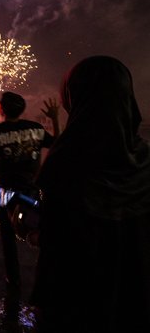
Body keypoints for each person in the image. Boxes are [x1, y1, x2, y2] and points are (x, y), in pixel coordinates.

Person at [33, 56, 150, 332]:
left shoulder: (65, 164)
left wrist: (28, 231)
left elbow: (55, 252)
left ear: (72, 98)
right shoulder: (146, 159)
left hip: (79, 312)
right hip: (138, 307)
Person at [0, 92, 59, 288]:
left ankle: (13, 280)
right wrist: (55, 118)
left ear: (2, 109)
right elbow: (57, 144)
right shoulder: (35, 128)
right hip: (29, 190)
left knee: (7, 237)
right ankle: (48, 275)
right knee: (39, 229)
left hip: (3, 191)